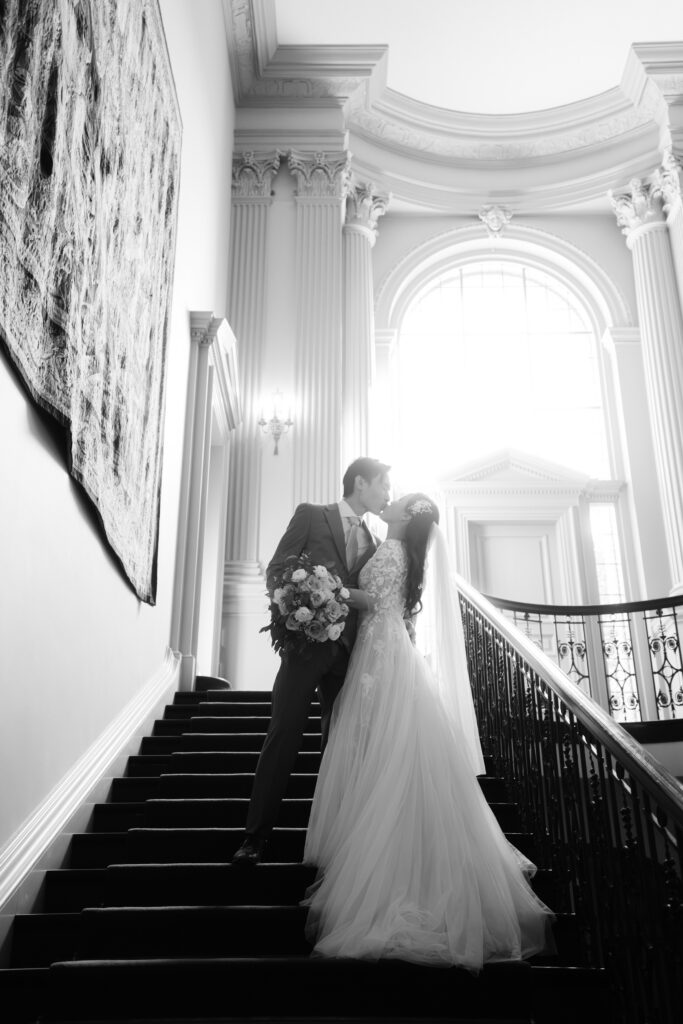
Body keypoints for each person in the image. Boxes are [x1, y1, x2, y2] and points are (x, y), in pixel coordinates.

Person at [302, 493, 555, 970]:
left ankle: (383, 871)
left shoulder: (393, 551)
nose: (390, 499)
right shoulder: (394, 547)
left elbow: (374, 599)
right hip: (382, 650)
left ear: (406, 515)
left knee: (383, 747)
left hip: (381, 651)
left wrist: (330, 590)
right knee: (382, 747)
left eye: (398, 498)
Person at [232, 457, 392, 866]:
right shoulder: (311, 515)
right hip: (306, 648)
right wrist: (299, 609)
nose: (387, 492)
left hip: (349, 656)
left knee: (340, 748)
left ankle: (331, 844)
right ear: (360, 482)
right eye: (383, 484)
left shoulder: (375, 545)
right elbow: (277, 571)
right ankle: (255, 837)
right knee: (283, 734)